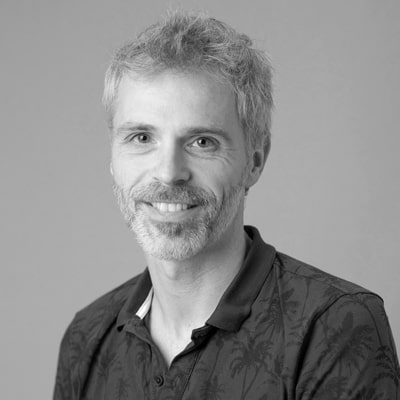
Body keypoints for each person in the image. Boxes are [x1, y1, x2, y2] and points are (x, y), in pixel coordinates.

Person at [53, 10, 400, 400]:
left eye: (202, 142)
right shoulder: (86, 338)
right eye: (141, 138)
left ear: (254, 161)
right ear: (113, 157)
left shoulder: (335, 328)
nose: (168, 173)